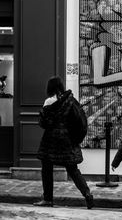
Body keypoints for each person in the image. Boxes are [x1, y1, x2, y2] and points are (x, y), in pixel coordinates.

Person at [34, 76, 93, 209]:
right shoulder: (71, 101)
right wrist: (75, 139)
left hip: (51, 142)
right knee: (73, 170)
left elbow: (44, 123)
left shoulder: (49, 101)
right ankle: (87, 194)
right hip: (67, 141)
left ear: (49, 87)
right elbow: (81, 121)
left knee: (47, 170)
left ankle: (48, 199)